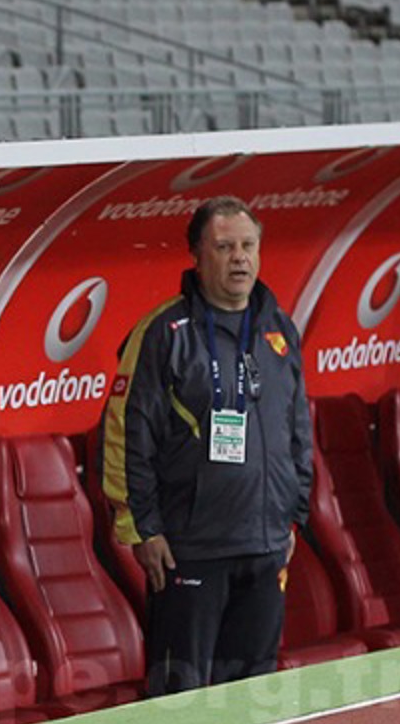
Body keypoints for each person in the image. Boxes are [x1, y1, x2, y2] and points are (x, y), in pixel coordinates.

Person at [102, 197, 313, 696]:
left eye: (248, 246)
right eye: (224, 247)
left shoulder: (278, 328)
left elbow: (298, 428)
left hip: (264, 545)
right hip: (190, 550)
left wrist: (293, 516)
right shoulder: (164, 332)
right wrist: (141, 528)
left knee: (253, 698)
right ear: (197, 256)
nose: (239, 258)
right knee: (181, 699)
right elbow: (127, 433)